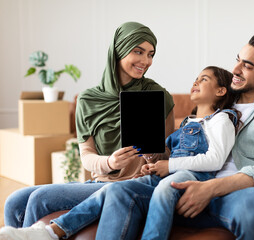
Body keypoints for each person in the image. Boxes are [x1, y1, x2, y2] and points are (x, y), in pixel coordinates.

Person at [0, 65, 241, 240]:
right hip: (124, 177)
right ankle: (46, 232)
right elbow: (169, 155)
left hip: (172, 180)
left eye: (204, 79)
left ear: (221, 91)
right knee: (15, 200)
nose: (196, 82)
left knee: (42, 198)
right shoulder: (186, 123)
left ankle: (50, 232)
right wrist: (147, 160)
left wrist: (163, 165)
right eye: (196, 78)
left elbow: (212, 159)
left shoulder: (220, 119)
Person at [3, 21, 175, 228]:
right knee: (15, 201)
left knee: (42, 198)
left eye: (151, 54)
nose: (145, 60)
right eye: (138, 51)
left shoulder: (159, 96)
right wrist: (110, 163)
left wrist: (152, 157)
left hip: (131, 185)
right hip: (99, 181)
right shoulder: (88, 99)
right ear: (119, 50)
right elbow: (86, 156)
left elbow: (168, 153)